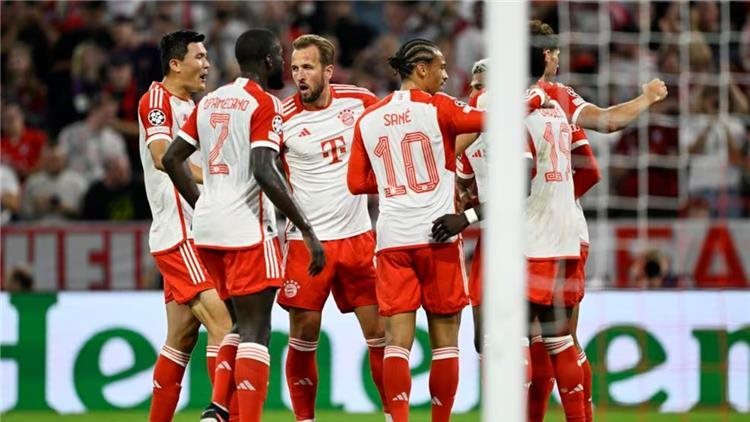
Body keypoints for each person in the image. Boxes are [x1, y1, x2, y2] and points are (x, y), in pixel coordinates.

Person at [162, 28, 325, 422]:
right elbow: (264, 170)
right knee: (257, 331)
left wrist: (202, 204)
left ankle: (218, 407)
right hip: (248, 230)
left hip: (208, 231)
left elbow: (171, 158)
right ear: (268, 60)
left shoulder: (210, 100)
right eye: (280, 56)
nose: (284, 63)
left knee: (237, 323)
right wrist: (306, 229)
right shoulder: (263, 103)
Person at [526, 20, 667, 422]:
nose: (558, 59)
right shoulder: (560, 97)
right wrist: (646, 98)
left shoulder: (501, 104)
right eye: (555, 52)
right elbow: (603, 134)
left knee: (532, 340)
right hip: (568, 230)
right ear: (545, 55)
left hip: (527, 232)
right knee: (562, 339)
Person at [347, 38, 483, 422]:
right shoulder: (439, 107)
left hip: (392, 241)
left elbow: (356, 183)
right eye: (441, 67)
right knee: (445, 342)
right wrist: (536, 101)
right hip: (438, 238)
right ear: (421, 69)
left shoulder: (369, 117)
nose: (446, 75)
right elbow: (489, 120)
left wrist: (396, 181)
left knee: (396, 343)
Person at [278, 34, 389, 421]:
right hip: (306, 244)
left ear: (328, 71)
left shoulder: (359, 101)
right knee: (304, 334)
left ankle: (394, 415)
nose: (299, 75)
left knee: (380, 334)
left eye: (307, 67)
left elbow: (392, 134)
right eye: (294, 68)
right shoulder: (282, 118)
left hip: (358, 238)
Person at [136, 29, 232, 422]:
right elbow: (163, 157)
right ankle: (221, 413)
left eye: (207, 57)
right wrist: (216, 178)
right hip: (180, 233)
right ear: (176, 64)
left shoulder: (194, 107)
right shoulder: (156, 100)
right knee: (225, 324)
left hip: (196, 229)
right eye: (200, 57)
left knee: (181, 337)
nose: (207, 64)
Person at [21, 144, 88, 221]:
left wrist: (63, 208)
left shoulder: (78, 182)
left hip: (69, 227)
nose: (52, 163)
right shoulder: (32, 182)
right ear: (43, 160)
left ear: (64, 160)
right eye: (48, 159)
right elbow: (24, 214)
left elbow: (86, 214)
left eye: (55, 159)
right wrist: (35, 207)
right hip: (40, 226)